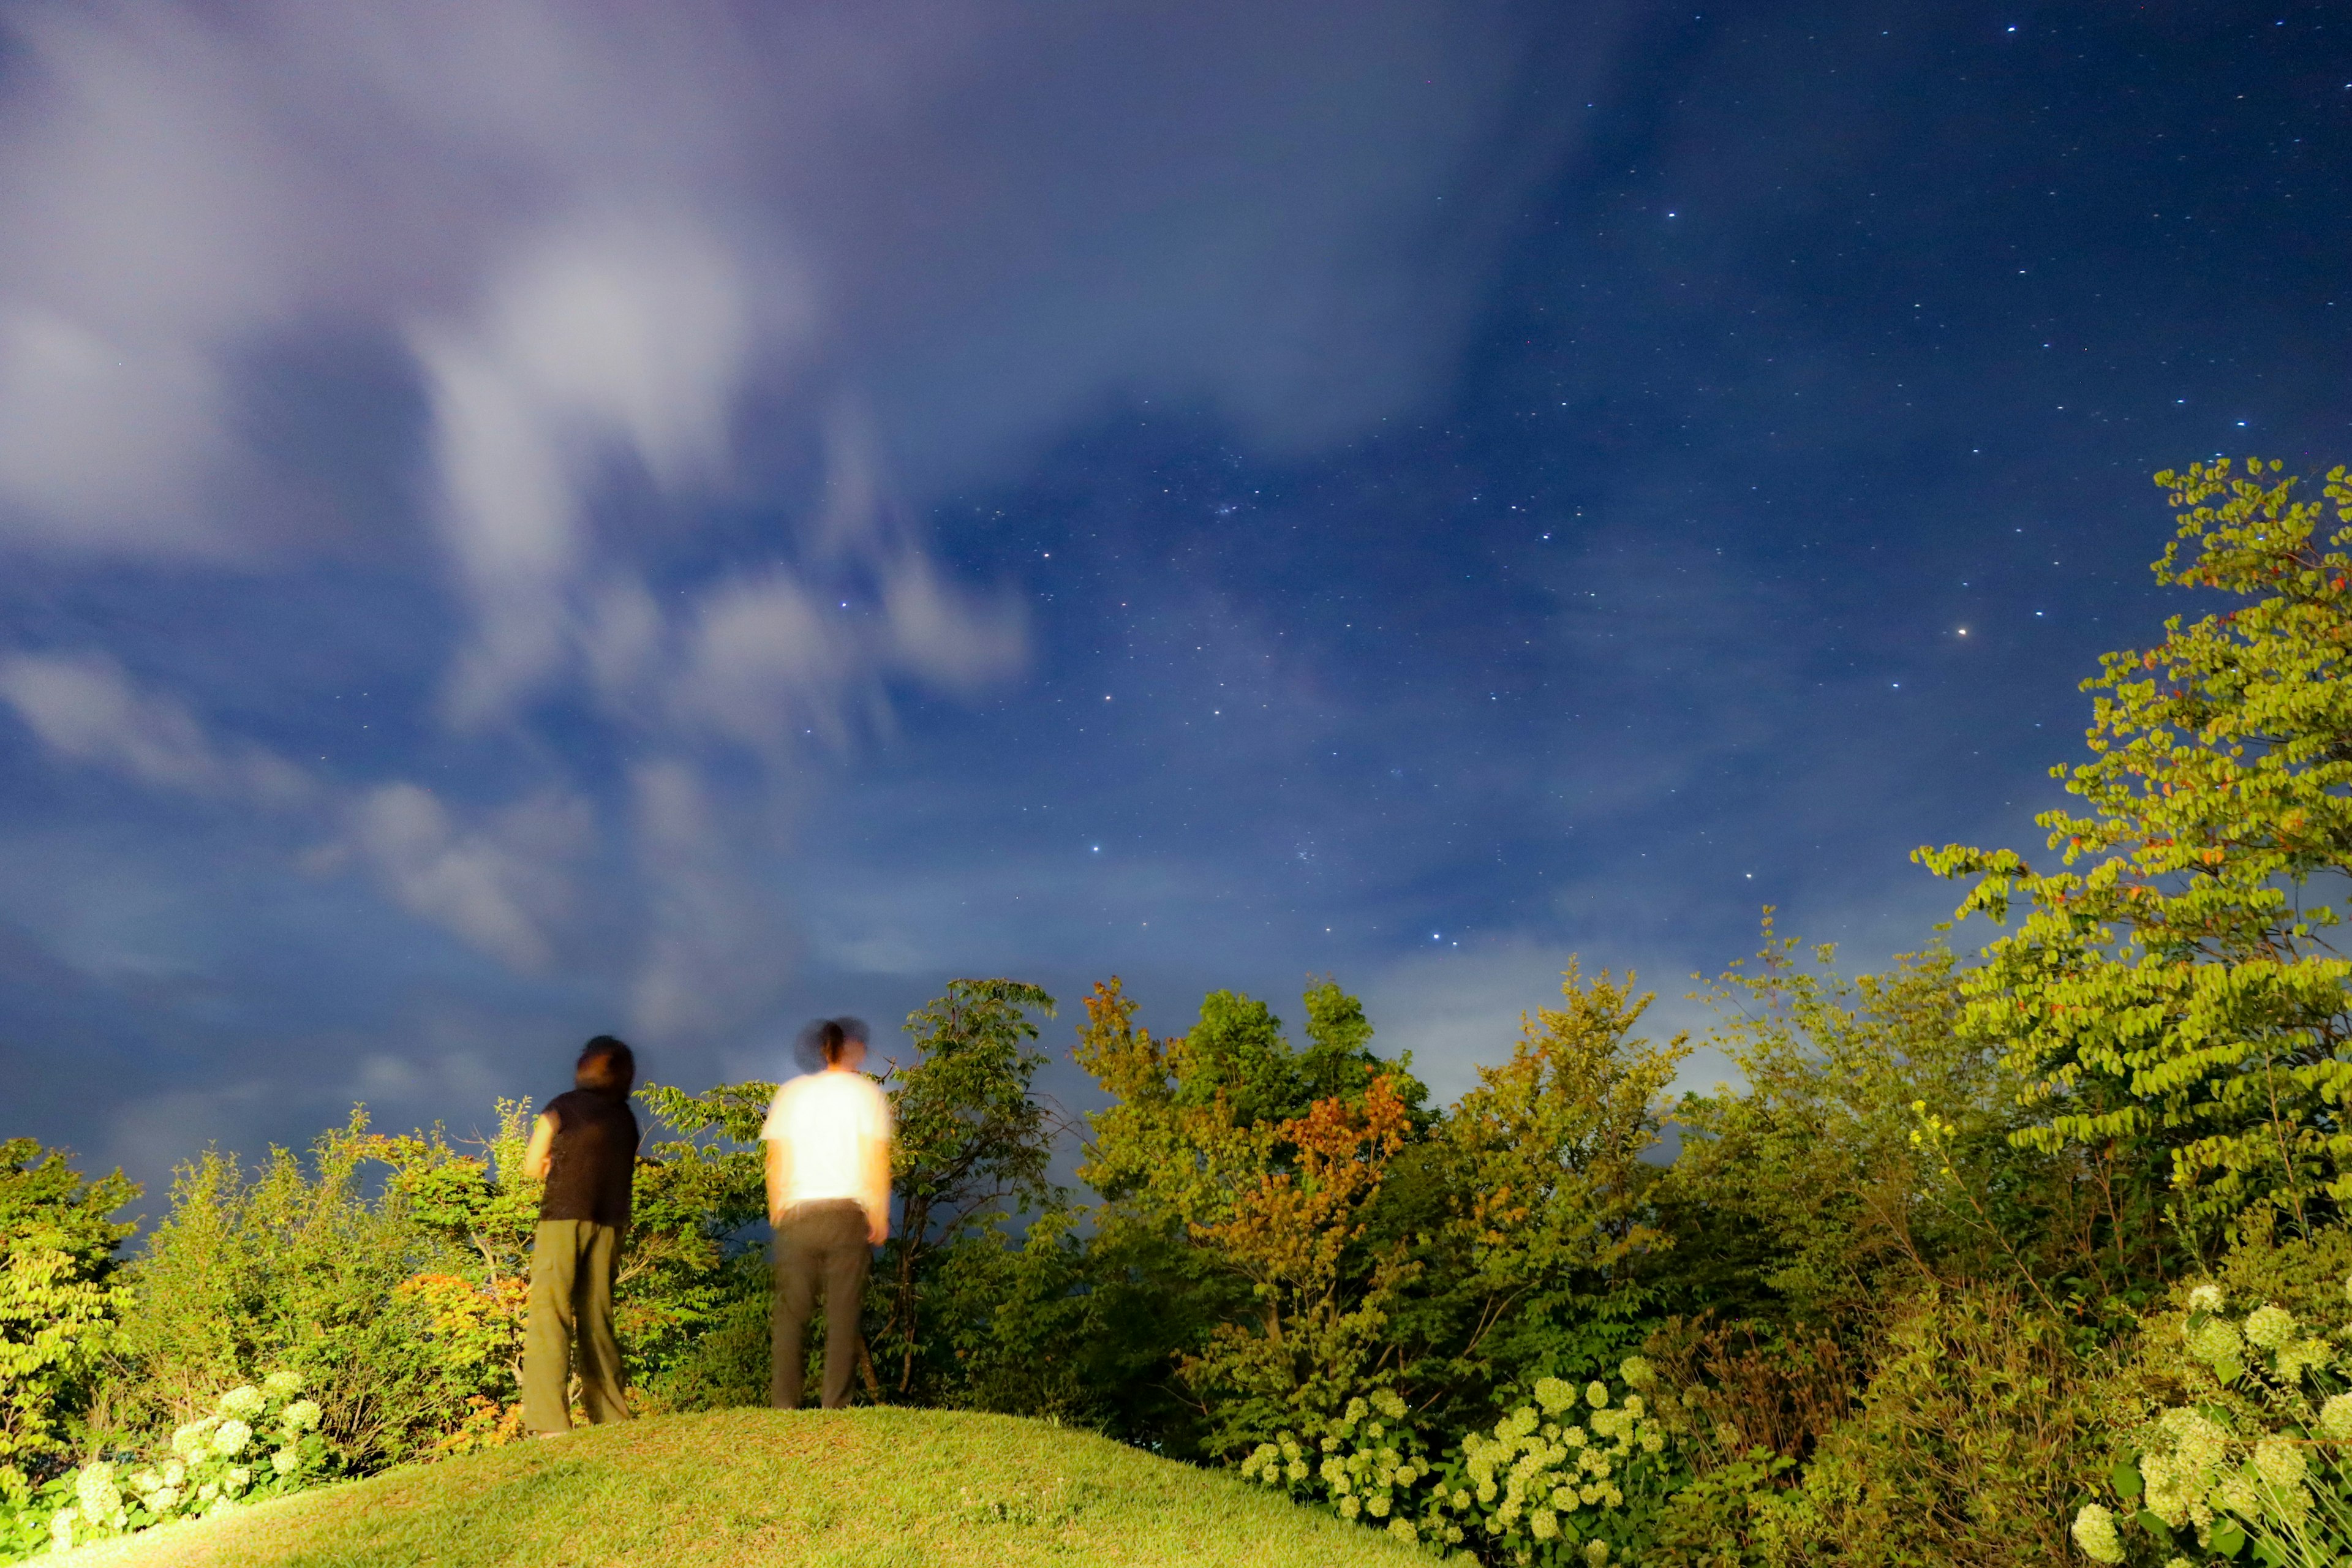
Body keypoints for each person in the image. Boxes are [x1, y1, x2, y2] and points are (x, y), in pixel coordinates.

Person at [761, 1017, 892, 1411]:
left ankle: (784, 1404)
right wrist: (880, 1213)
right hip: (846, 1214)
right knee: (842, 1315)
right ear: (855, 1049)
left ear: (822, 1050)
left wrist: (777, 1208)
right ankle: (834, 1405)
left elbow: (775, 1158)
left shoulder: (793, 1092)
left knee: (791, 1315)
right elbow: (876, 1158)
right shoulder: (867, 1094)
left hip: (798, 1215)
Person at [519, 1035, 640, 1437]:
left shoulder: (563, 1107)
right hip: (610, 1225)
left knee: (550, 1314)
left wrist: (553, 1161)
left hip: (561, 1221)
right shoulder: (626, 1119)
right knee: (596, 1317)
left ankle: (549, 1423)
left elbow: (532, 1165)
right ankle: (610, 1418)